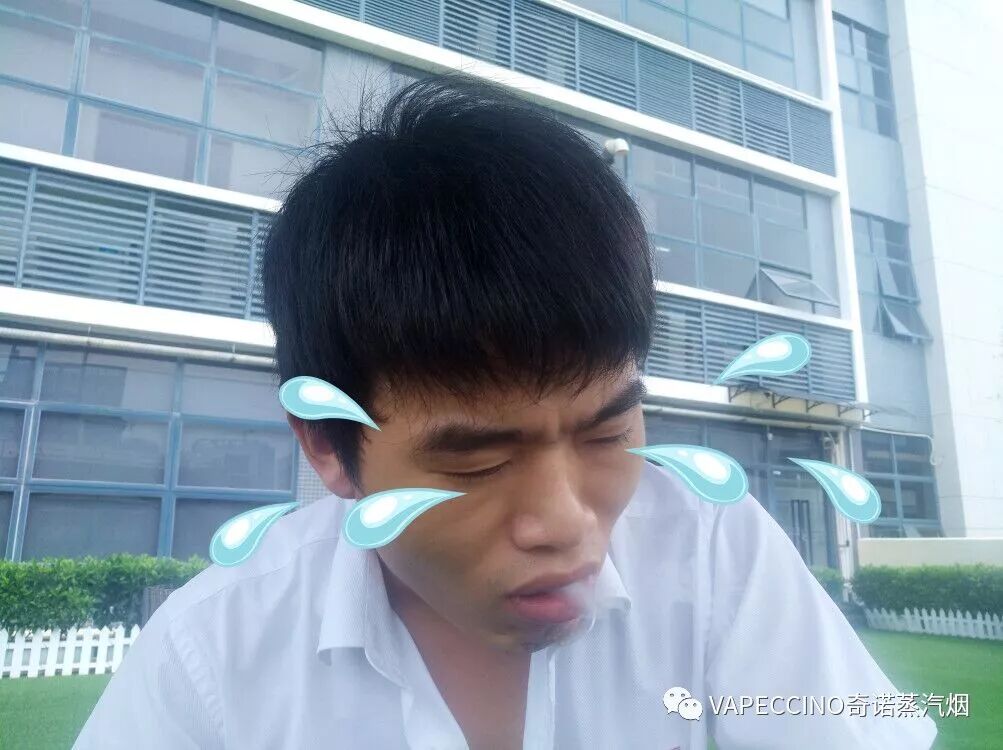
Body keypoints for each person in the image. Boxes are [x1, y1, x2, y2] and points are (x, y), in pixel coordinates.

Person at [73, 74, 937, 750]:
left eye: (607, 431)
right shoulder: (213, 651)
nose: (565, 525)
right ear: (328, 448)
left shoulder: (710, 545)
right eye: (476, 461)